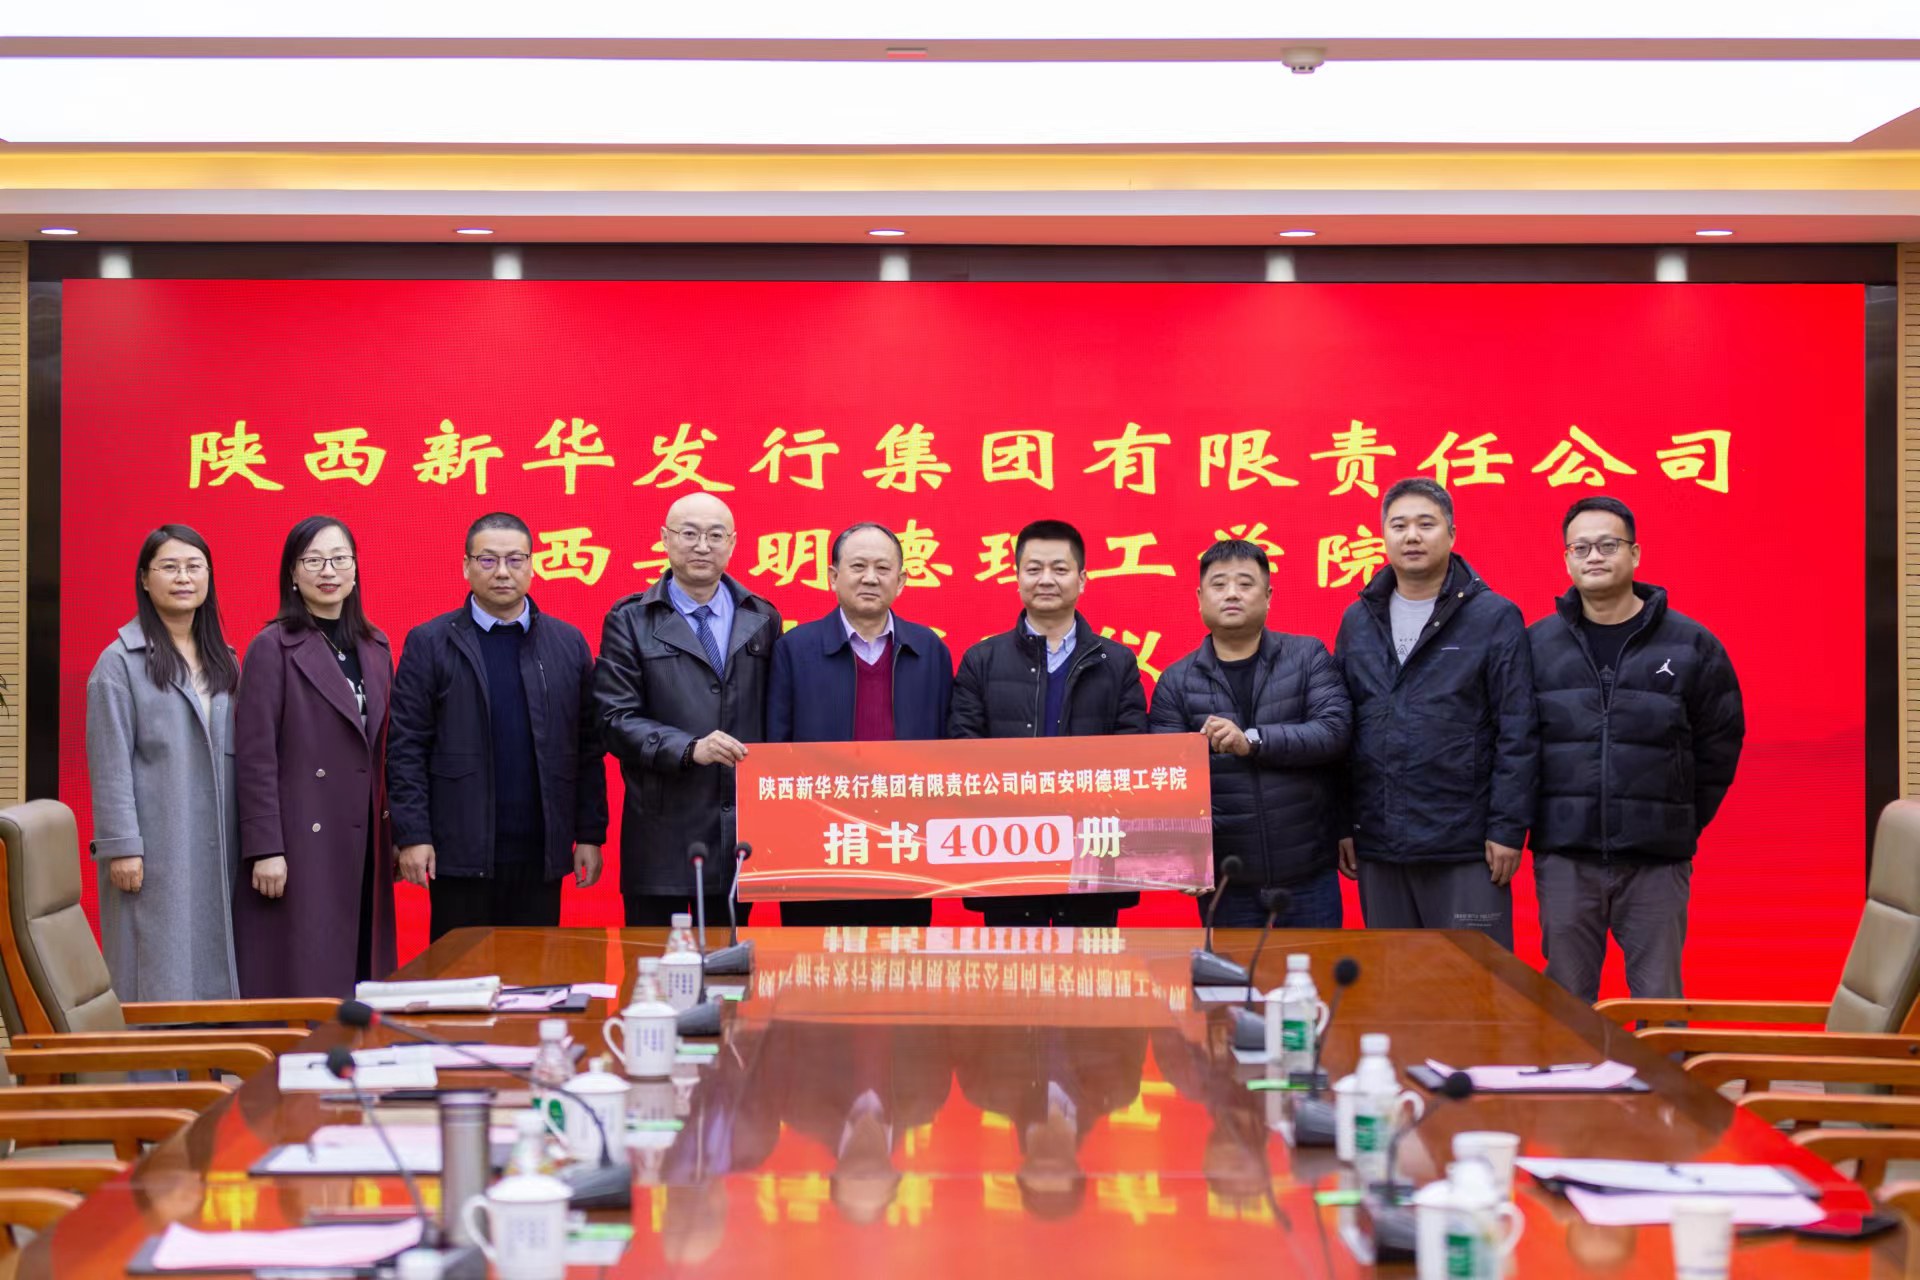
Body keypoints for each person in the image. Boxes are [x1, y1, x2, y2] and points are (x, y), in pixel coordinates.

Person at [1529, 496, 1744, 1001]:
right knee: (1566, 1005)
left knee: (1660, 1002)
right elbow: (1516, 745)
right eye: (1581, 548)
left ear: (1635, 553)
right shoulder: (1536, 645)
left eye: (1608, 545)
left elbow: (1720, 743)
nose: (1594, 556)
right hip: (1565, 857)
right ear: (1566, 559)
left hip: (1656, 861)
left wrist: (1677, 820)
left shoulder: (1691, 644)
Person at [1333, 478, 1536, 948]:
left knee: (1475, 978)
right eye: (1399, 525)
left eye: (1426, 524)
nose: (1412, 536)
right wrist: (1342, 823)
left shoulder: (1494, 616)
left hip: (1466, 845)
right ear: (1383, 535)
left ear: (1452, 534)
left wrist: (1507, 829)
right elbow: (1343, 727)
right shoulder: (1357, 620)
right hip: (1380, 843)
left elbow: (1518, 730)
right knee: (1394, 977)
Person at [386, 513, 609, 940]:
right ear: (466, 566)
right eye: (487, 560)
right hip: (459, 853)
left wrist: (589, 834)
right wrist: (413, 834)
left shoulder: (567, 643)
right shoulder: (430, 643)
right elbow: (406, 747)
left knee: (535, 973)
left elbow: (587, 747)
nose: (502, 572)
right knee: (460, 973)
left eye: (515, 559)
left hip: (540, 853)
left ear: (532, 565)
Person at [949, 519, 1147, 927]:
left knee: (1091, 965)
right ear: (1017, 577)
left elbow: (1133, 755)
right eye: (1034, 568)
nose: (1046, 580)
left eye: (1059, 569)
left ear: (1082, 579)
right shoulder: (981, 661)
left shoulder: (1117, 662)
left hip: (1091, 853)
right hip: (1008, 853)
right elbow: (963, 754)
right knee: (1013, 966)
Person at [595, 493, 781, 926]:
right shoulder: (630, 619)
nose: (702, 546)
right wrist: (689, 747)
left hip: (738, 835)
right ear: (665, 539)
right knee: (655, 963)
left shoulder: (762, 617)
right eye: (689, 533)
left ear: (732, 543)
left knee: (728, 961)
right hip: (661, 834)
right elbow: (613, 719)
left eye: (715, 535)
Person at [233, 516, 396, 997]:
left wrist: (397, 833)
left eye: (340, 559)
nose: (329, 571)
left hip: (364, 833)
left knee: (363, 965)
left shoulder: (375, 646)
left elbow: (388, 749)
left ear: (355, 569)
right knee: (309, 967)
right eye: (314, 560)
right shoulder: (272, 647)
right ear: (292, 572)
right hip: (302, 838)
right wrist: (265, 848)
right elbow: (256, 755)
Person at [1150, 539, 1351, 928]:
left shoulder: (1307, 657)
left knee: (1314, 971)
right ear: (1200, 598)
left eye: (1245, 583)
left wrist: (1252, 741)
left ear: (1268, 595)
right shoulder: (1175, 682)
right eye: (1219, 584)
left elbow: (1333, 731)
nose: (1232, 594)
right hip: (1227, 885)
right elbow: (1167, 782)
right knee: (1233, 972)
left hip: (1309, 875)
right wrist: (1185, 856)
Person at [85, 525, 244, 1002]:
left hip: (218, 840)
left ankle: (207, 1051)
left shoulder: (225, 660)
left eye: (194, 567)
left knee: (213, 971)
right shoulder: (119, 663)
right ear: (144, 578)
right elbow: (110, 763)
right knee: (154, 971)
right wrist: (122, 847)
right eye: (169, 567)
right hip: (156, 844)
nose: (183, 578)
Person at [768, 522, 954, 927]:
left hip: (904, 844)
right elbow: (775, 750)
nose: (870, 578)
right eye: (858, 566)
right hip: (818, 847)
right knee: (813, 959)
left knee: (900, 959)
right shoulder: (794, 650)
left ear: (901, 581)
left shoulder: (929, 650)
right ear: (832, 576)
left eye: (883, 568)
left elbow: (948, 749)